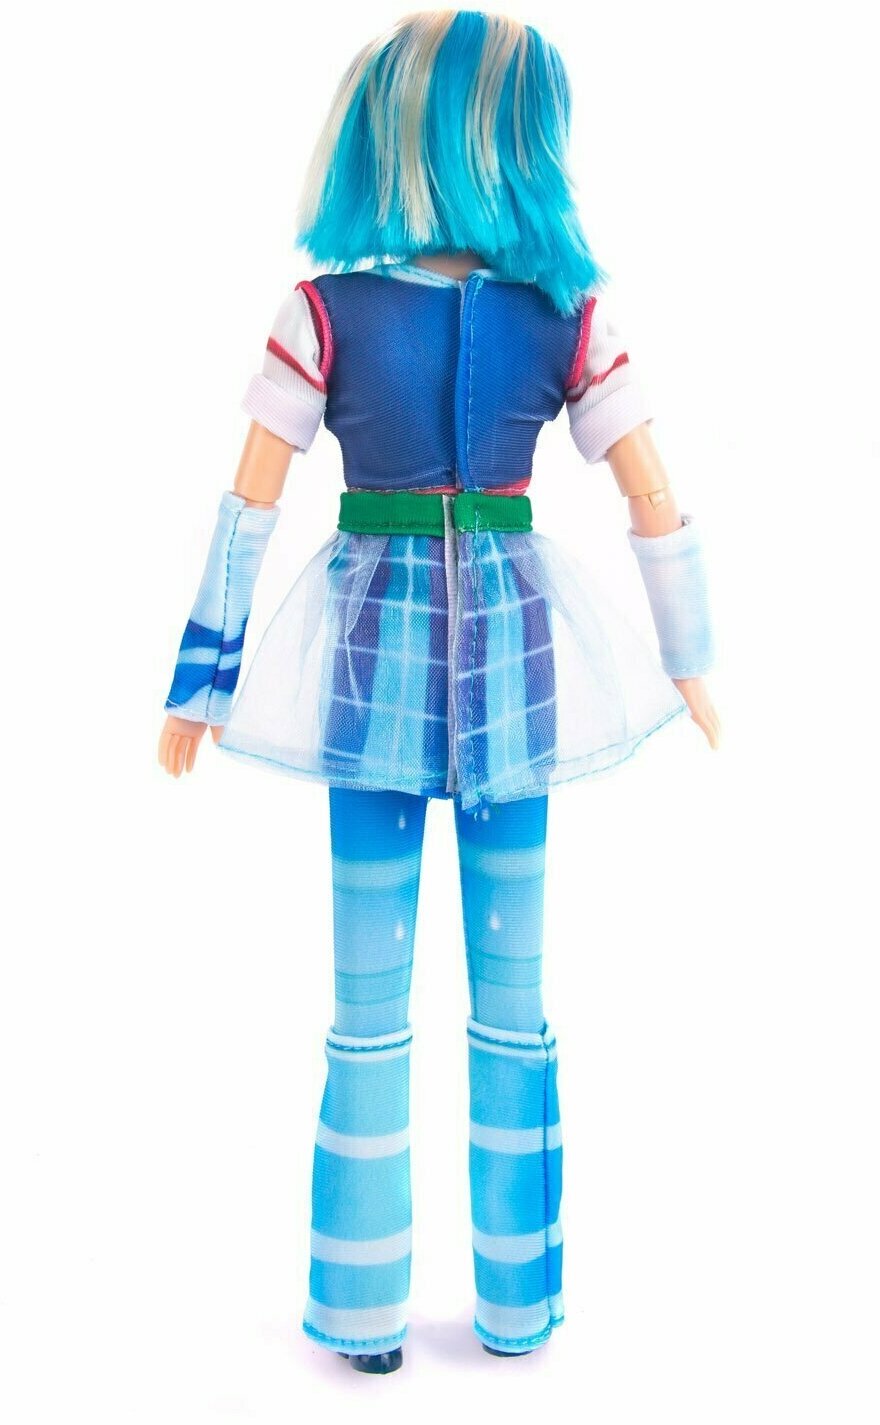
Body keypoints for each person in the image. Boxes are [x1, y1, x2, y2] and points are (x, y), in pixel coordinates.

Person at [158, 10, 719, 1375]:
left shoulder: (546, 314)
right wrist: (200, 676)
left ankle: (479, 1301)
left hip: (478, 677)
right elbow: (251, 500)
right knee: (407, 1002)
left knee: (472, 1000)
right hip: (404, 676)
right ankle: (410, 1302)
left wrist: (693, 655)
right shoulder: (337, 313)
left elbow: (650, 491)